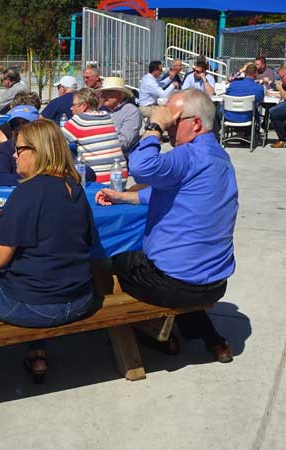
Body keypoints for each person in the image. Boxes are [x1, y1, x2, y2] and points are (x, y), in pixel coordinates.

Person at [0, 118, 98, 393]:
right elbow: (86, 241)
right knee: (32, 275)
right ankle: (36, 355)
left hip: (38, 307)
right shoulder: (74, 187)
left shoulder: (28, 192)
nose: (14, 155)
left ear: (38, 151)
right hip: (80, 299)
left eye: (19, 149)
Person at [95, 88, 238, 364]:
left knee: (110, 259)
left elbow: (141, 167)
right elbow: (175, 193)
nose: (170, 128)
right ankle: (212, 340)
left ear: (195, 123)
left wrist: (155, 126)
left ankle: (142, 333)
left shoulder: (188, 155)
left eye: (174, 121)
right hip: (216, 282)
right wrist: (124, 196)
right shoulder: (217, 157)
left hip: (176, 284)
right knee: (181, 267)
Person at [62, 87, 126, 184]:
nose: (71, 108)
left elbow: (54, 141)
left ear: (83, 106)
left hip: (99, 180)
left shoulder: (80, 120)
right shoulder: (106, 116)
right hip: (120, 176)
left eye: (73, 105)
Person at [0, 105, 39, 186]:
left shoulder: (47, 147)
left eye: (25, 123)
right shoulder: (4, 149)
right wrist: (33, 180)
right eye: (15, 124)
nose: (20, 127)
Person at [99, 77, 142, 157]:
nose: (102, 96)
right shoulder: (101, 110)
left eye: (107, 93)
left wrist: (98, 142)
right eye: (102, 92)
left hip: (123, 158)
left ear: (119, 94)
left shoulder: (131, 111)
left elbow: (125, 141)